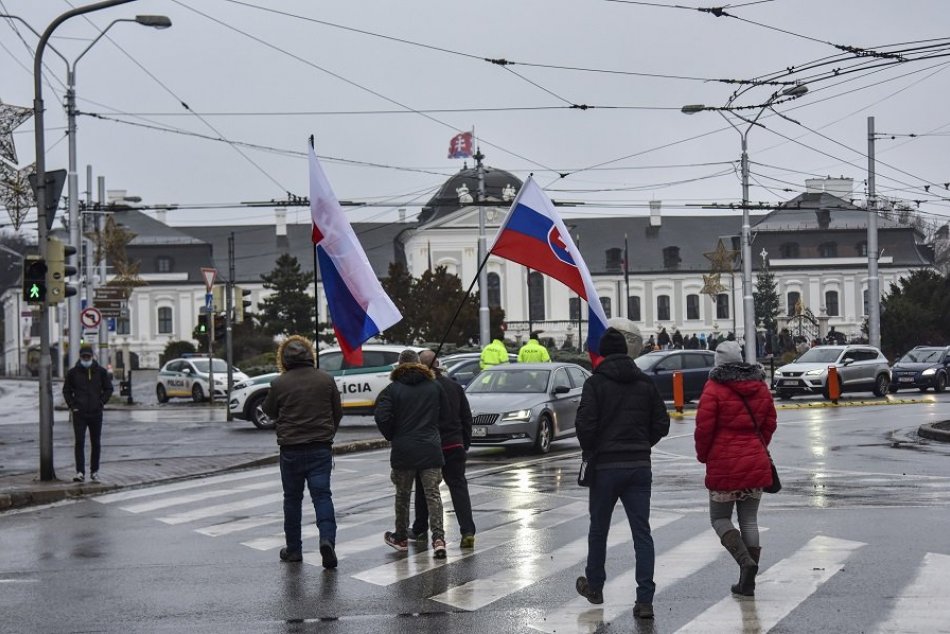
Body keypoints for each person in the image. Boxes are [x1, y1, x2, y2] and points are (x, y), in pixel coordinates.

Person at [574, 322, 671, 621]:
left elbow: (585, 427)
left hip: (605, 467)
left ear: (603, 354)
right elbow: (662, 424)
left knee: (598, 529)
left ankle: (595, 585)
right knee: (642, 533)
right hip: (639, 466)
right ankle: (644, 600)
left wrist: (595, 447)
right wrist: (642, 444)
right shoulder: (644, 383)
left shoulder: (595, 384)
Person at [694, 340, 777, 597]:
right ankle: (747, 582)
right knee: (749, 519)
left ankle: (745, 563)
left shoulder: (713, 389)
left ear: (718, 362)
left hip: (723, 463)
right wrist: (757, 443)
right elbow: (770, 422)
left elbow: (704, 429)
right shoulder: (760, 386)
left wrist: (704, 455)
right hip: (755, 460)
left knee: (719, 518)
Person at [262, 335, 343, 569]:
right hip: (320, 448)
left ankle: (294, 549)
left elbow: (269, 411)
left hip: (291, 450)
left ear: (285, 359)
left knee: (292, 500)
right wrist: (328, 434)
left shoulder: (279, 383)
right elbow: (337, 413)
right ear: (310, 356)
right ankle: (327, 540)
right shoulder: (326, 380)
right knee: (322, 496)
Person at [375, 349, 449, 558]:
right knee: (433, 494)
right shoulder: (434, 387)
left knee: (403, 495)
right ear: (419, 364)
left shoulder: (392, 389)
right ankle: (439, 538)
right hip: (430, 447)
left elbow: (381, 416)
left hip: (404, 449)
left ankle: (400, 537)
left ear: (399, 365)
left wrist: (392, 434)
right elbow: (445, 415)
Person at [410, 350, 476, 548]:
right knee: (458, 487)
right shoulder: (455, 387)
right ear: (438, 364)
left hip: (431, 446)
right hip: (455, 444)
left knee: (423, 488)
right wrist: (465, 443)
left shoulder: (422, 389)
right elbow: (466, 417)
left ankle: (420, 529)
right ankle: (468, 531)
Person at [63, 344, 113, 483]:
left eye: (88, 357)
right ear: (80, 357)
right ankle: (80, 472)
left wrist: (101, 402)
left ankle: (94, 471)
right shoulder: (73, 373)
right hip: (80, 413)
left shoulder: (101, 372)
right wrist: (73, 406)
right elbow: (66, 390)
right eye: (84, 357)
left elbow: (108, 388)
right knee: (79, 442)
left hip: (96, 413)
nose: (86, 359)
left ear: (92, 357)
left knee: (95, 442)